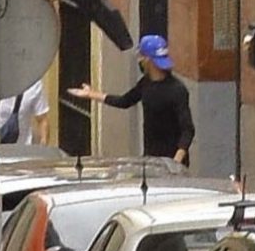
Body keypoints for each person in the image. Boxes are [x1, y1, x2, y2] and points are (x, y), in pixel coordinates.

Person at [69, 33, 195, 163]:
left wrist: (176, 161)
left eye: (141, 56)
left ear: (148, 60)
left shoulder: (177, 90)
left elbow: (188, 130)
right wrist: (91, 94)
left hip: (172, 160)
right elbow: (124, 101)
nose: (139, 60)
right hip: (151, 157)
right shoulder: (145, 83)